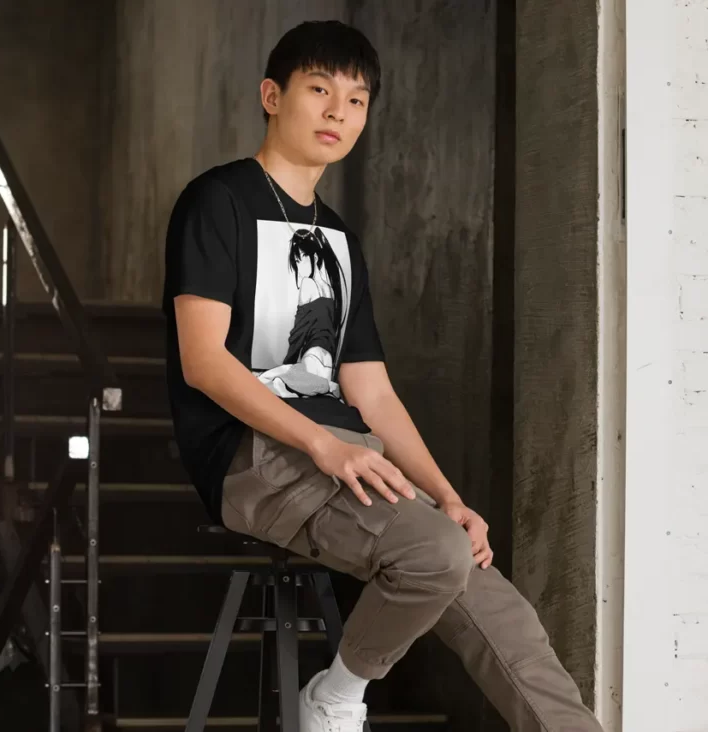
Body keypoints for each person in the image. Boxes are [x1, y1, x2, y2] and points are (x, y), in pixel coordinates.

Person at [162, 19, 604, 732]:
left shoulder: (339, 239)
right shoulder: (219, 202)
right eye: (319, 90)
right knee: (433, 554)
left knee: (499, 608)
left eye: (357, 99)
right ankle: (335, 697)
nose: (339, 112)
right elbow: (204, 362)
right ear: (271, 96)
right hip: (253, 456)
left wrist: (447, 495)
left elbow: (371, 390)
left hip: (345, 455)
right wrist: (322, 444)